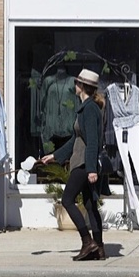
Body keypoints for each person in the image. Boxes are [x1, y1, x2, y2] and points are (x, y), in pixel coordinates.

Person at [40, 68, 106, 261]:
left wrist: (92, 169)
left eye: (77, 83)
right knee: (90, 205)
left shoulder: (90, 109)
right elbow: (75, 140)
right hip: (84, 161)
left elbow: (93, 141)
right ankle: (99, 249)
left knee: (67, 200)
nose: (74, 85)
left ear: (83, 86)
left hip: (85, 163)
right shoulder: (86, 107)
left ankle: (88, 241)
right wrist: (54, 156)